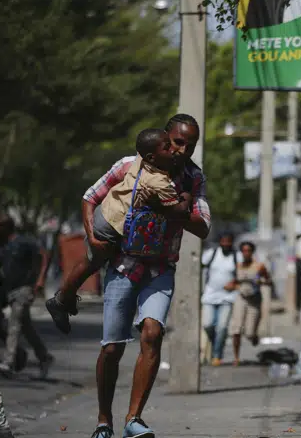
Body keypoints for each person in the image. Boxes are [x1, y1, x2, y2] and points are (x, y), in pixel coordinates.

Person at [80, 114, 211, 438]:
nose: (182, 150)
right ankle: (103, 422)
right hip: (124, 265)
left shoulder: (193, 179)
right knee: (112, 348)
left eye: (189, 145)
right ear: (164, 140)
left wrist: (175, 208)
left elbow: (203, 224)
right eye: (177, 142)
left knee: (152, 333)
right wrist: (93, 236)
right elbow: (90, 196)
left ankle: (133, 420)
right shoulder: (129, 166)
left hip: (160, 267)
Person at [46, 129, 193, 333]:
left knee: (92, 263)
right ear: (152, 156)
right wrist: (187, 192)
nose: (176, 151)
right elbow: (180, 210)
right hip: (108, 227)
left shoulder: (140, 164)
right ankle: (61, 300)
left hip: (107, 216)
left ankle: (65, 299)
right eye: (169, 146)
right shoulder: (158, 181)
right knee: (92, 261)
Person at [0, 216, 54, 378]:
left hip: (25, 288)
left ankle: (8, 362)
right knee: (26, 328)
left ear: (8, 227)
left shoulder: (24, 242)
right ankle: (44, 357)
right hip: (9, 291)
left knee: (14, 324)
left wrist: (40, 279)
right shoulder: (0, 246)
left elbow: (43, 255)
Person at [201, 232, 241, 366]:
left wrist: (235, 283)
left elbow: (244, 273)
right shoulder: (211, 254)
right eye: (223, 242)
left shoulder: (237, 256)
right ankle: (215, 343)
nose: (226, 244)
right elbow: (198, 267)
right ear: (220, 242)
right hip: (209, 295)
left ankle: (217, 355)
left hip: (227, 298)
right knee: (207, 324)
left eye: (228, 242)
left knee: (222, 327)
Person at [228, 241, 271, 366]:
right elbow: (235, 281)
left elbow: (268, 279)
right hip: (241, 298)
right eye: (244, 251)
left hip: (254, 299)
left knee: (249, 333)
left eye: (248, 251)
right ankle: (236, 357)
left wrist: (262, 281)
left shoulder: (259, 266)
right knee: (236, 329)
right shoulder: (238, 266)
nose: (246, 253)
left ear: (252, 252)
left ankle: (254, 336)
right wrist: (231, 285)